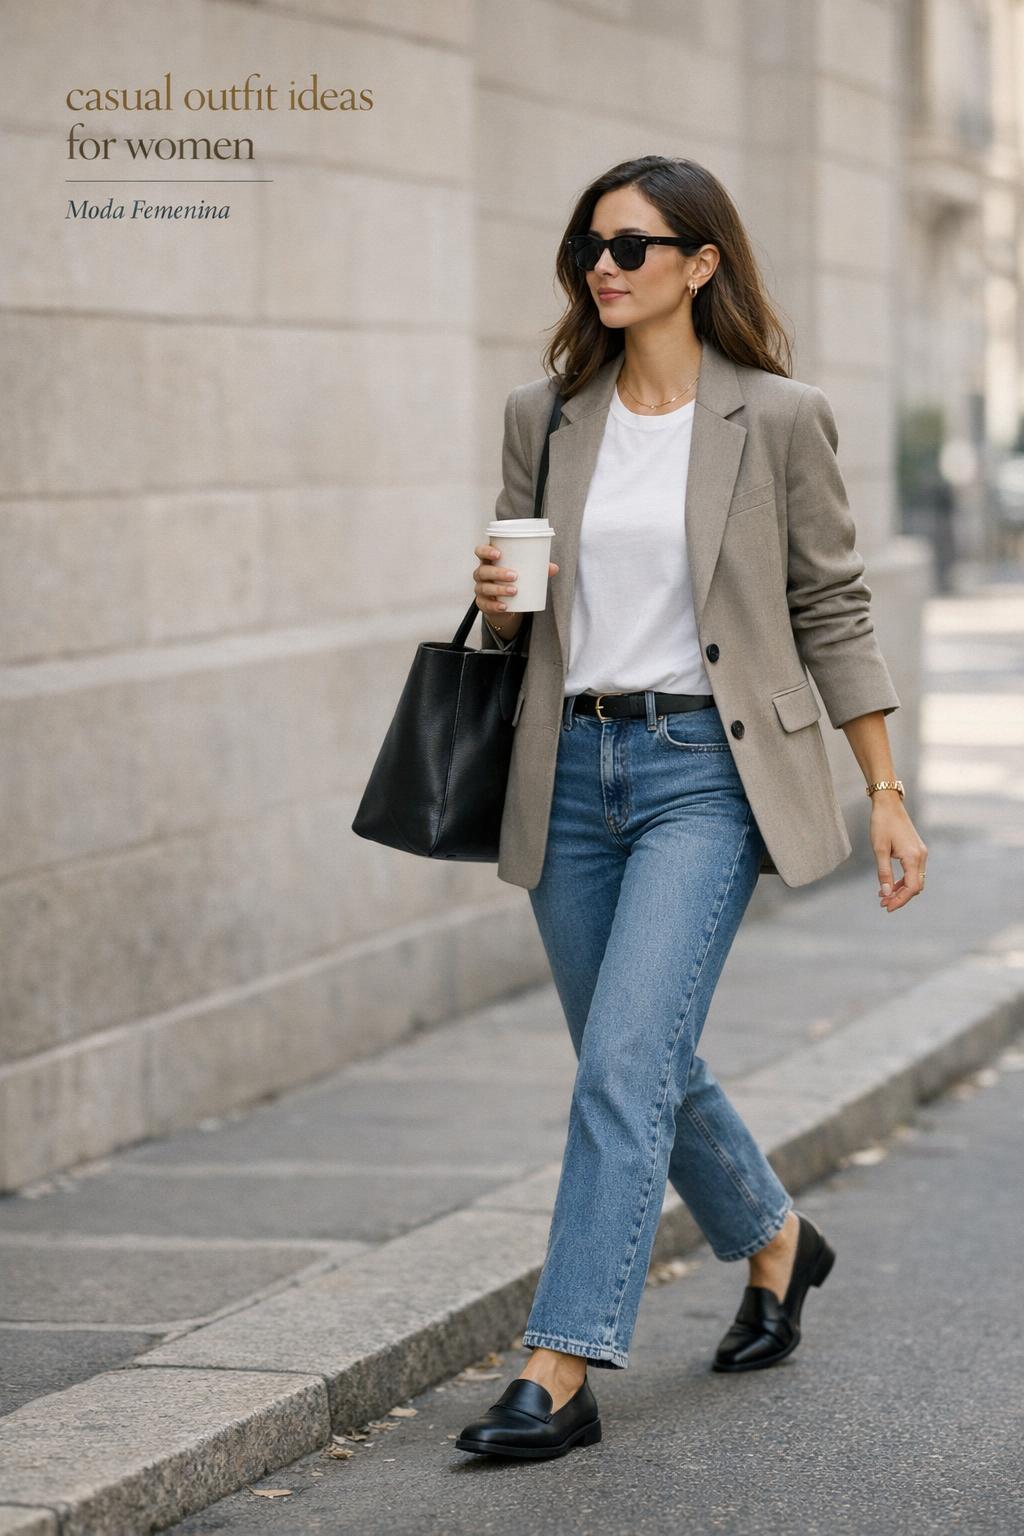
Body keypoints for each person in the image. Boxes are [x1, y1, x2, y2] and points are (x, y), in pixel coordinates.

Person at [454, 156, 928, 1461]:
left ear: (700, 263)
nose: (602, 266)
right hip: (571, 768)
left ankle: (562, 1363)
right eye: (588, 246)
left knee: (622, 1064)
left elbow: (833, 606)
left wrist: (884, 791)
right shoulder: (544, 415)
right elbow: (519, 624)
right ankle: (780, 1240)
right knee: (645, 1055)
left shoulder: (777, 418)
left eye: (632, 244)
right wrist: (501, 606)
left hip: (702, 779)